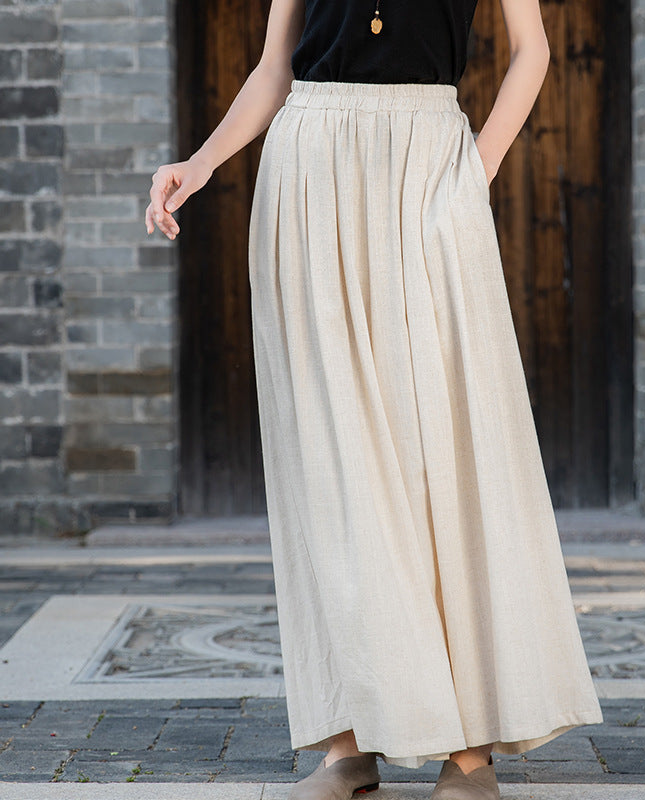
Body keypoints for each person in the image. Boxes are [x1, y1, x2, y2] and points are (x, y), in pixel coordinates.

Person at [145, 0, 604, 798]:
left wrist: (475, 172)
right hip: (310, 169)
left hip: (430, 167)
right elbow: (275, 68)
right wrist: (203, 160)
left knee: (445, 444)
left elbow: (532, 50)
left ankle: (470, 749)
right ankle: (348, 741)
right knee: (333, 464)